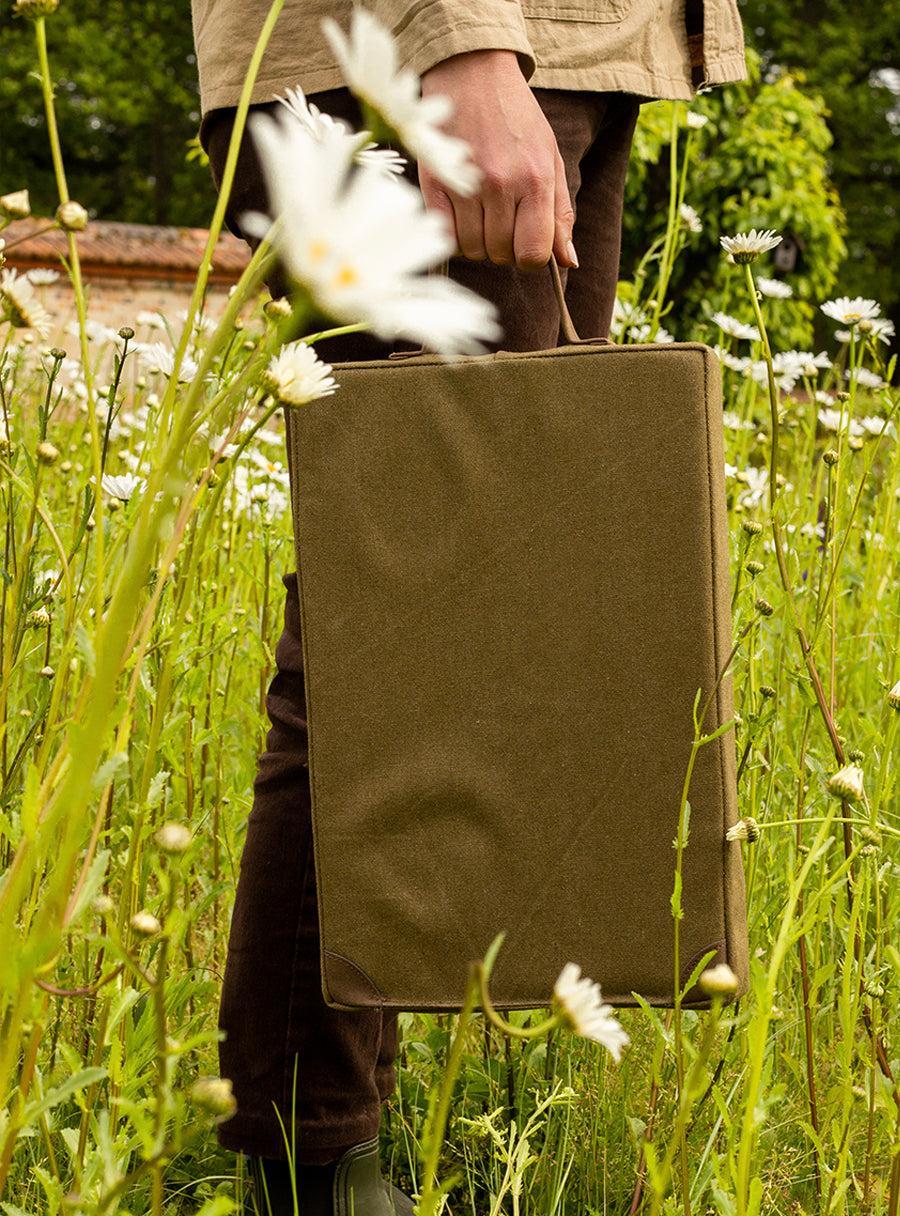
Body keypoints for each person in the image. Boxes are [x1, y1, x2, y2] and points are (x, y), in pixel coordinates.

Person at [189, 2, 747, 1212]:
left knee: (428, 603)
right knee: (403, 608)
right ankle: (312, 1152)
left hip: (560, 51)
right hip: (441, 53)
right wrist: (462, 40)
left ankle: (322, 1136)